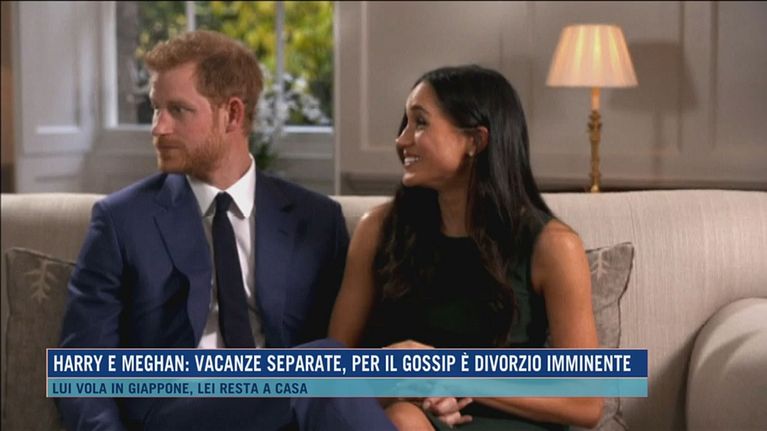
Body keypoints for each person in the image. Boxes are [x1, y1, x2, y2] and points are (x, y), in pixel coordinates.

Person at [57, 30, 394, 431]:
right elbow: (80, 368)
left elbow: (352, 342)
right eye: (156, 109)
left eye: (178, 110)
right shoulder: (121, 220)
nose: (158, 128)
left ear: (232, 114)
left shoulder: (317, 220)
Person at [329, 65, 603, 430]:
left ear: (475, 140)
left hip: (510, 421)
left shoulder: (553, 247)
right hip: (405, 417)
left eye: (420, 123)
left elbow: (587, 403)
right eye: (405, 123)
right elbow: (330, 374)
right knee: (404, 418)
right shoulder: (378, 230)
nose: (402, 139)